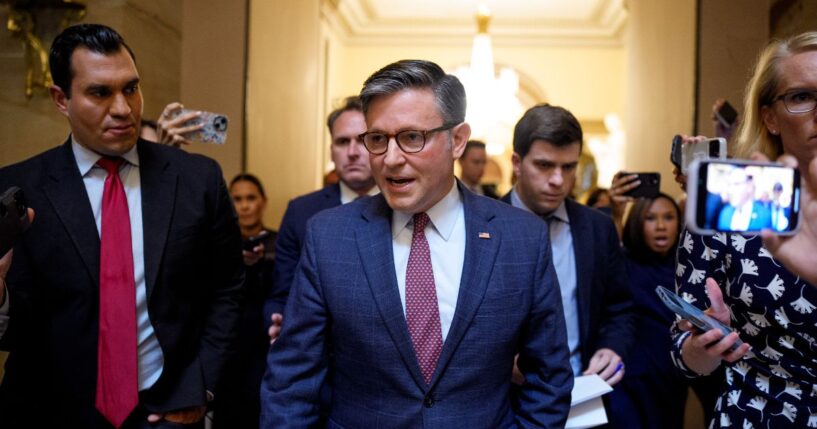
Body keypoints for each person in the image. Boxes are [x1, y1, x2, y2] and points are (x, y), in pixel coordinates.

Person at [261, 59, 573, 428]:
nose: (391, 159)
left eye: (412, 138)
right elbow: (291, 381)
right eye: (378, 139)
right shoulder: (329, 237)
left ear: (457, 140)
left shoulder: (521, 238)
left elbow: (549, 377)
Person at [0, 24, 244, 428]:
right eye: (100, 93)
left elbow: (228, 289)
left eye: (131, 88)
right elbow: (17, 330)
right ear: (61, 99)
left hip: (166, 413)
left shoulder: (197, 180)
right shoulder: (19, 188)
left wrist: (202, 387)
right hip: (49, 412)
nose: (123, 109)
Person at [671, 31, 817, 427]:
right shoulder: (731, 206)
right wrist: (705, 343)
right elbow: (684, 354)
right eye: (802, 96)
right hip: (757, 414)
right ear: (770, 117)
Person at [501, 104, 634, 393]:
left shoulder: (598, 228)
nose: (558, 180)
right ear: (516, 163)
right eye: (544, 165)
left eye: (568, 167)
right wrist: (496, 361)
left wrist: (612, 347)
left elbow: (620, 308)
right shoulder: (480, 227)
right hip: (503, 399)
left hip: (583, 391)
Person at [265, 96, 378, 331]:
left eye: (363, 140)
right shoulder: (301, 212)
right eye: (342, 142)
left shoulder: (404, 206)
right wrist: (277, 322)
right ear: (331, 151)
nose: (352, 152)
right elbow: (282, 294)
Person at [603, 193, 688, 429]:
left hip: (671, 378)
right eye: (650, 218)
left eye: (668, 217)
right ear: (637, 222)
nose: (661, 226)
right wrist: (616, 211)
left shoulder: (687, 267)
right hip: (627, 378)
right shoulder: (623, 263)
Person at [210, 174, 277, 429]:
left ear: (263, 202)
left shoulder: (280, 242)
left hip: (266, 345)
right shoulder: (218, 245)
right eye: (237, 199)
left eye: (251, 198)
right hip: (228, 345)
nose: (245, 205)